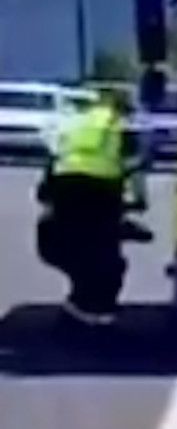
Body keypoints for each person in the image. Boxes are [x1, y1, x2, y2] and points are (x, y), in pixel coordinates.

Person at [36, 85, 141, 326]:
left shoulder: (74, 120)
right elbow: (134, 164)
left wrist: (48, 193)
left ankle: (83, 305)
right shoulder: (120, 125)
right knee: (106, 257)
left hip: (66, 189)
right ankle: (95, 309)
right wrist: (137, 200)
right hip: (101, 191)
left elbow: (55, 158)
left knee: (76, 250)